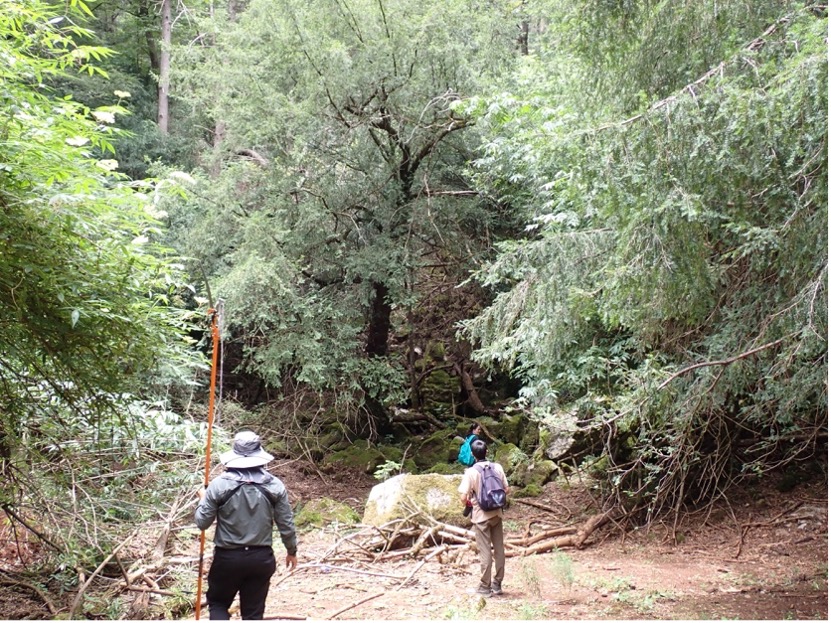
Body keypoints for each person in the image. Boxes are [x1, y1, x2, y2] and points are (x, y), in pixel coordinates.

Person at [195, 430, 298, 620]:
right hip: (261, 559)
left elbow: (202, 522)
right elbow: (286, 523)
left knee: (218, 604)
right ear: (259, 454)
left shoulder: (218, 485)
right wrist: (291, 551)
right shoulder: (275, 485)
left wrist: (203, 499)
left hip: (227, 559)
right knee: (253, 615)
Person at [458, 439, 509, 596]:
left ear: (472, 454)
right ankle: (497, 584)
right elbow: (506, 489)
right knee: (499, 549)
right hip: (497, 513)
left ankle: (485, 587)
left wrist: (470, 502)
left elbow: (462, 497)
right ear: (487, 451)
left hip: (481, 517)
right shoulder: (497, 467)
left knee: (485, 551)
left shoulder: (471, 472)